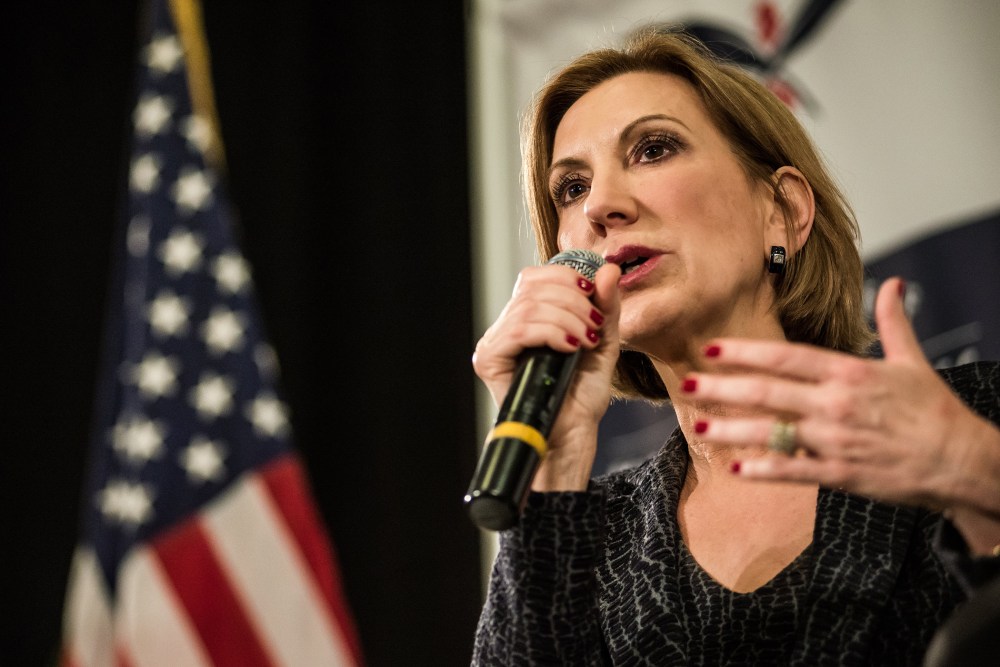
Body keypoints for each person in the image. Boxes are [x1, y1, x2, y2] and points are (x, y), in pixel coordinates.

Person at [469, 25, 1000, 665]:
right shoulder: (590, 540)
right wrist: (553, 463)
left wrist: (979, 472)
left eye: (654, 149)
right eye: (571, 188)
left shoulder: (981, 416)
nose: (601, 205)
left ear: (782, 211)